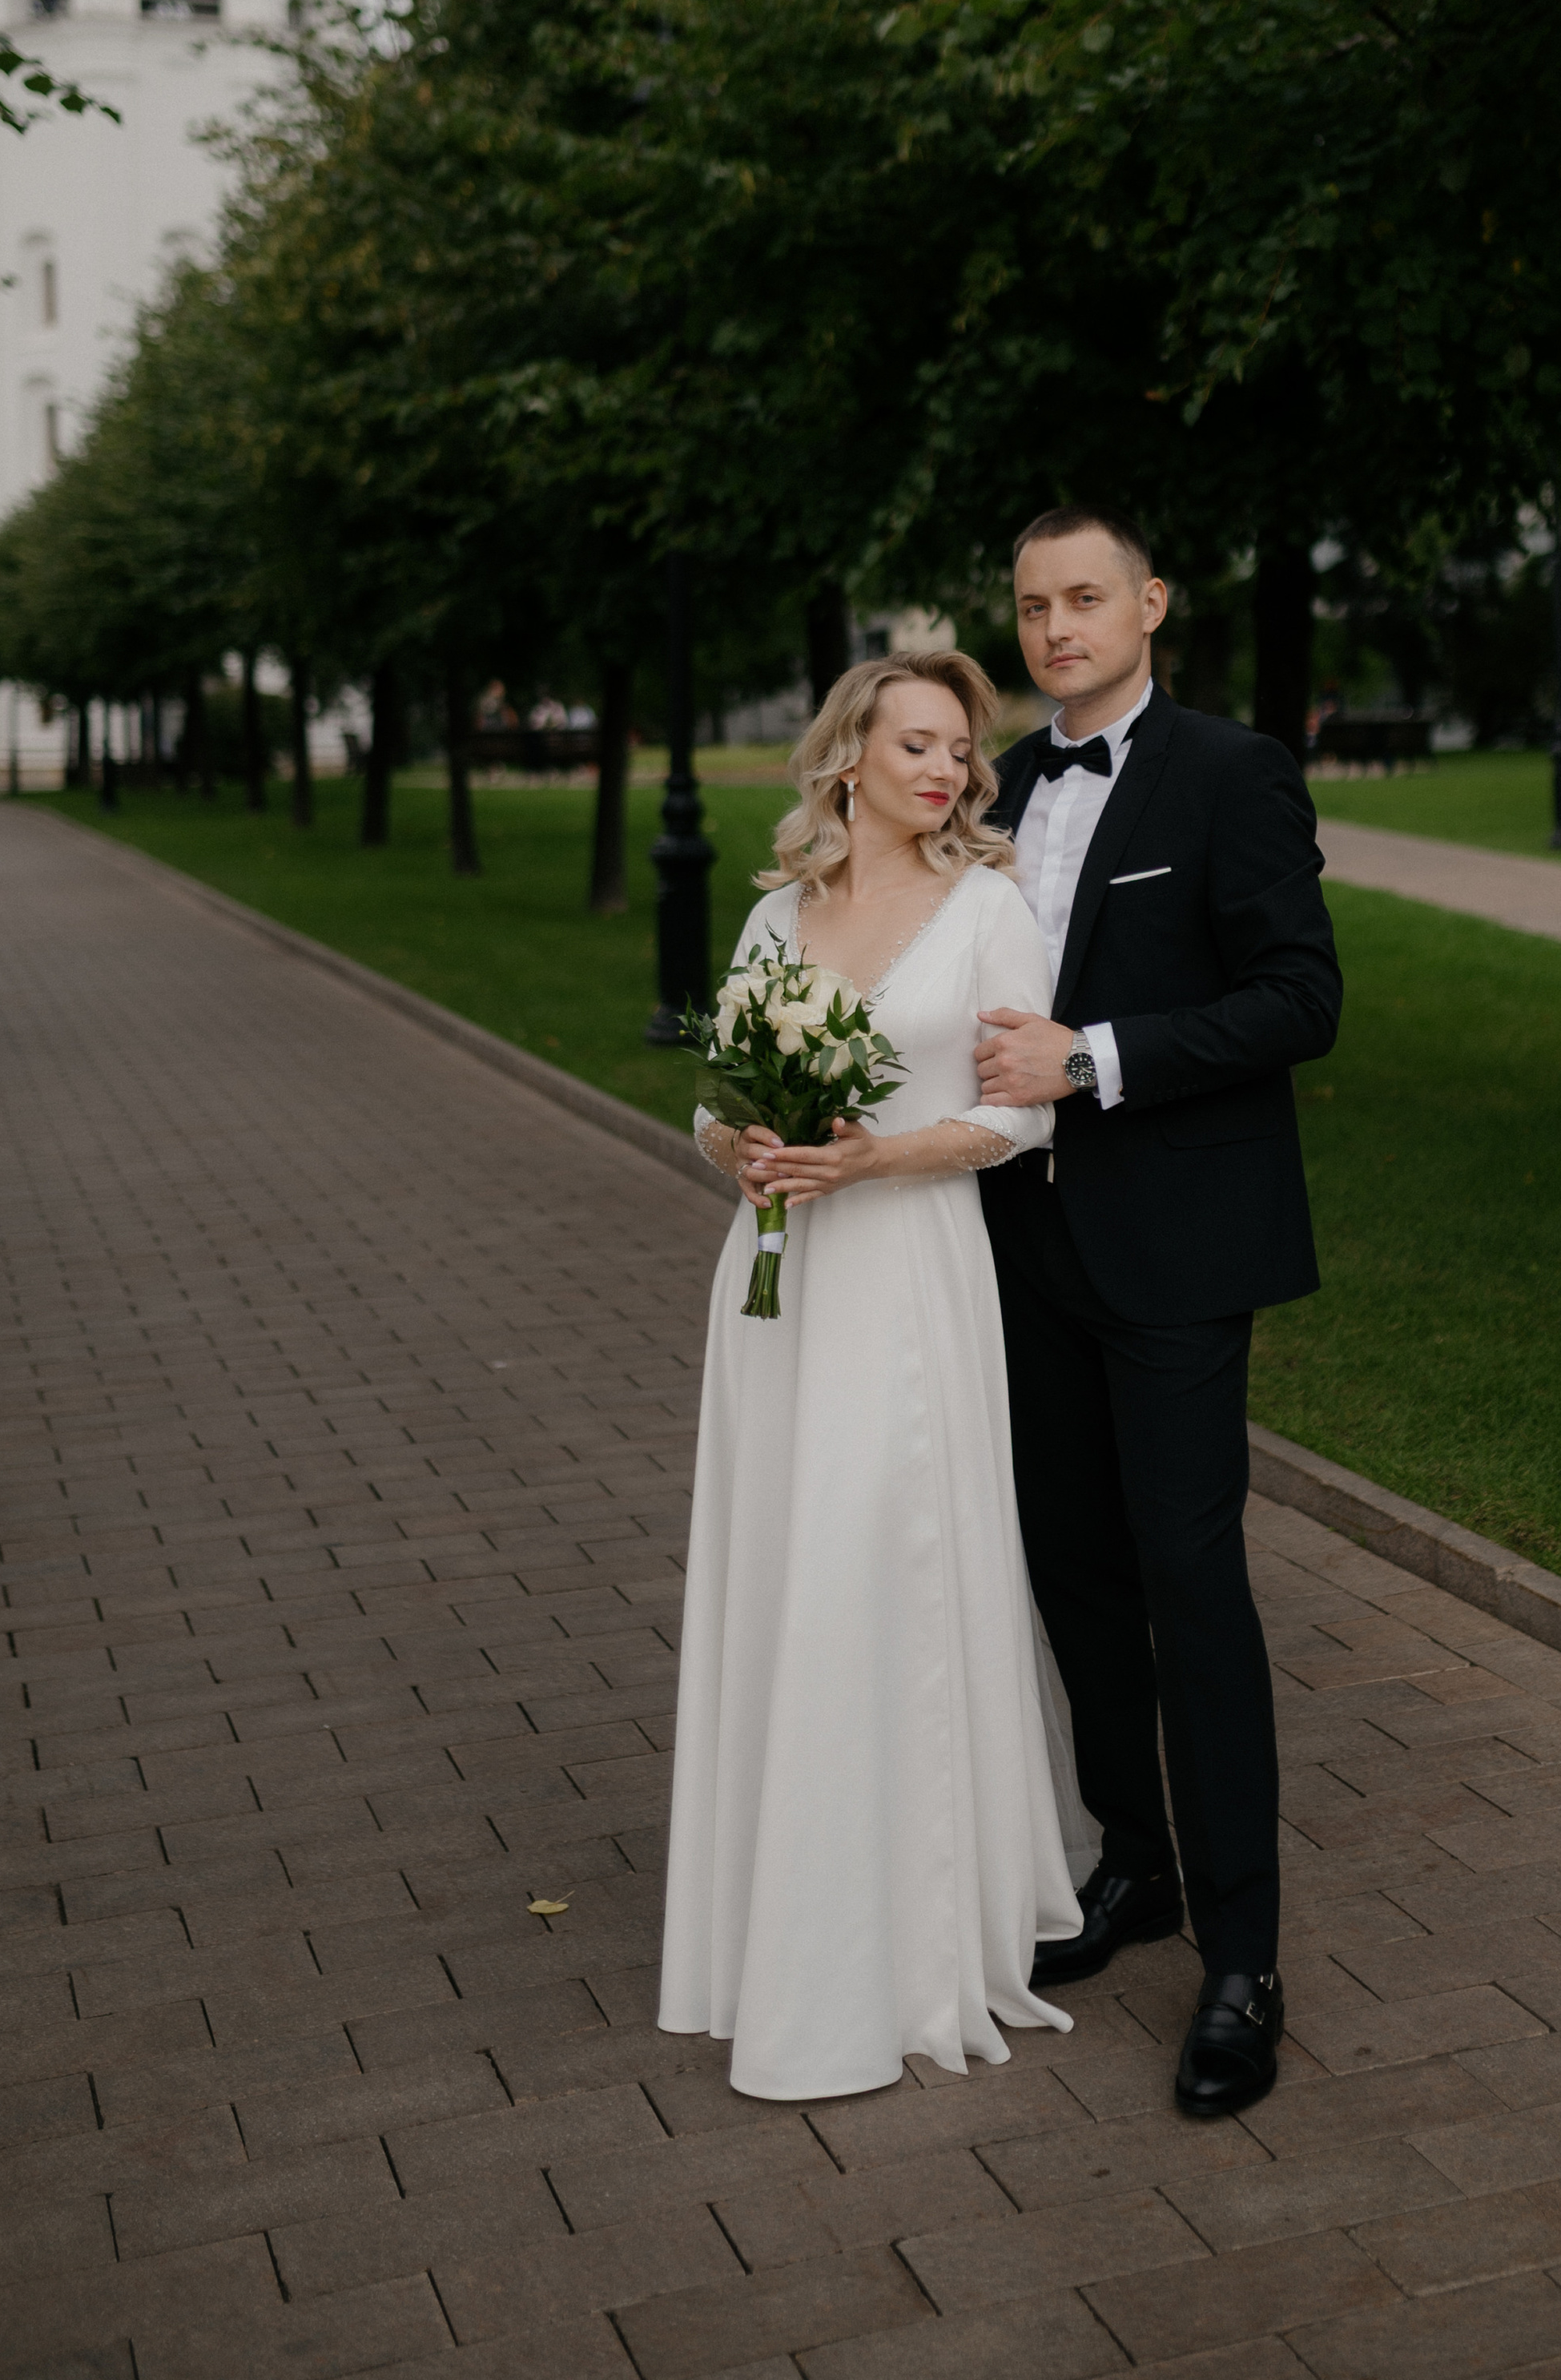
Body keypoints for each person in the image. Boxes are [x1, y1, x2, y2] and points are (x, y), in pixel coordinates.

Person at [659, 650, 1088, 2101]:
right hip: (776, 1284)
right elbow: (715, 1098)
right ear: (848, 757)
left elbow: (1020, 1121)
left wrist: (871, 1159)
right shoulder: (775, 913)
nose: (948, 771)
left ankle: (901, 1938)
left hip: (907, 1272)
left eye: (960, 750)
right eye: (917, 745)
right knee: (787, 1567)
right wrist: (743, 1147)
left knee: (871, 1565)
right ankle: (777, 1910)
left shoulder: (990, 909)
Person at [975, 507, 1342, 2118]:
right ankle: (1135, 1861)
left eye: (1083, 598)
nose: (1055, 626)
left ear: (1149, 604)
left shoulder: (1232, 772)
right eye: (1031, 604)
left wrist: (1095, 1059)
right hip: (1019, 1242)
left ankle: (1244, 1960)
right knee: (1073, 1571)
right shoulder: (993, 788)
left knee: (1192, 1588)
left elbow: (1299, 997)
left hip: (1179, 1247)